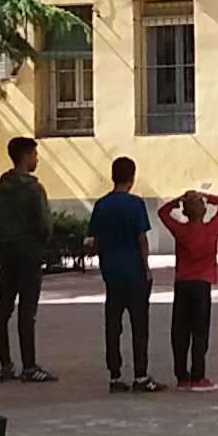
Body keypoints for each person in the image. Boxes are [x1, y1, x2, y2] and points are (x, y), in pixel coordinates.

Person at [0, 138, 53, 383]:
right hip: (29, 249)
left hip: (7, 249)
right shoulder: (33, 189)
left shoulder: (0, 188)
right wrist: (42, 242)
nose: (37, 159)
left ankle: (6, 365)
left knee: (4, 307)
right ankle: (30, 366)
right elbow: (44, 223)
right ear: (25, 156)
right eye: (34, 154)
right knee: (27, 308)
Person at [90, 156, 157, 390]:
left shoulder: (101, 205)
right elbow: (141, 239)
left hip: (112, 272)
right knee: (139, 325)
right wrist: (146, 267)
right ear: (132, 177)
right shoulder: (135, 204)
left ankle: (115, 376)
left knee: (113, 325)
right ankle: (141, 376)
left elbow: (96, 240)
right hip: (134, 272)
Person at [159, 185, 218, 390]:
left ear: (184, 212)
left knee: (180, 330)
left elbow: (163, 212)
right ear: (205, 210)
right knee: (200, 331)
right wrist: (206, 195)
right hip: (202, 283)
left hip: (183, 283)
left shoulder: (181, 231)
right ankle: (198, 376)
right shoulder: (211, 229)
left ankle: (182, 376)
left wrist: (180, 199)